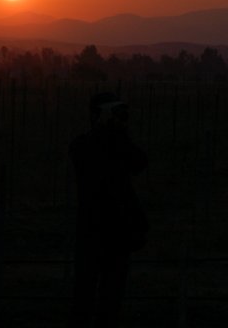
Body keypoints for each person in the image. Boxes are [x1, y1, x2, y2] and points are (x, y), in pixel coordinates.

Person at [69, 91, 148, 328]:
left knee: (111, 297)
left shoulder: (117, 142)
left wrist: (117, 133)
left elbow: (139, 162)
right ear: (97, 116)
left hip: (117, 231)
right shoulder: (82, 145)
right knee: (85, 295)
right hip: (93, 231)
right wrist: (108, 133)